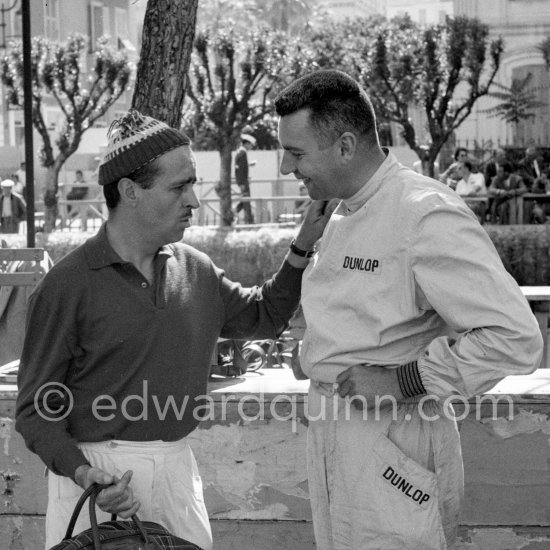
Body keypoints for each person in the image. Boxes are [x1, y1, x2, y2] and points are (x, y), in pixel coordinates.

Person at [15, 110, 331, 550]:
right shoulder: (66, 286)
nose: (194, 200)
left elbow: (265, 317)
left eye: (193, 184)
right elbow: (34, 412)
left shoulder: (196, 269)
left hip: (178, 473)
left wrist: (302, 247)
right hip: (90, 483)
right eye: (179, 185)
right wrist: (84, 472)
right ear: (130, 192)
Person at [274, 70, 542, 550]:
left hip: (393, 439)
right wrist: (316, 351)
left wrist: (403, 381)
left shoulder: (423, 212)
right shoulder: (339, 211)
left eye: (295, 153)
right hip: (334, 434)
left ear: (345, 145)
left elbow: (514, 338)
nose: (285, 168)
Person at [234, 133, 256, 224]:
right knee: (246, 201)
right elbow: (239, 170)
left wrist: (249, 165)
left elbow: (241, 167)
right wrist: (241, 183)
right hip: (243, 182)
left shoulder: (240, 152)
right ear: (246, 143)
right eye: (251, 144)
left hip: (243, 181)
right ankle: (249, 221)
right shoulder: (243, 152)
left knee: (245, 200)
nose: (251, 146)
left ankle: (234, 212)